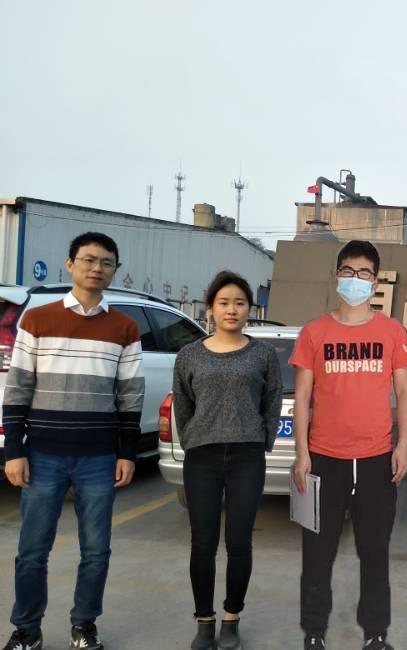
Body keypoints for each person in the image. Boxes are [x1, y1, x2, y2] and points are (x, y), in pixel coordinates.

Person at [2, 232, 144, 650]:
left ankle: (84, 625)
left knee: (96, 551)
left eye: (106, 262)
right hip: (42, 454)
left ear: (115, 270)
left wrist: (126, 453)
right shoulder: (37, 319)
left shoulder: (125, 327)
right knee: (32, 551)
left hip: (98, 458)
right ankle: (27, 630)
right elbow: (18, 388)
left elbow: (130, 396)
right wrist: (14, 450)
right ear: (70, 264)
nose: (97, 268)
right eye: (88, 260)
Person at [291, 240, 407, 650]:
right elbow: (303, 397)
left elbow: (404, 392)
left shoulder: (391, 332)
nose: (355, 279)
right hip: (324, 460)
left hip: (377, 460)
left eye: (364, 273)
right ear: (336, 275)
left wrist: (401, 446)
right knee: (317, 553)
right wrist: (302, 454)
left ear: (375, 282)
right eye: (348, 271)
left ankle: (375, 634)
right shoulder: (314, 333)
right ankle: (314, 633)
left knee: (375, 553)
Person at [172, 270, 282, 650]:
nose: (231, 309)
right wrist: (192, 438)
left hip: (246, 456)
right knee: (202, 542)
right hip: (201, 457)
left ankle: (232, 618)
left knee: (239, 542)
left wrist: (263, 440)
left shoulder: (262, 354)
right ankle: (204, 621)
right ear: (210, 308)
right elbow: (182, 402)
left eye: (239, 303)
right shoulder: (189, 355)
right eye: (224, 303)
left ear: (250, 308)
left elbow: (272, 400)